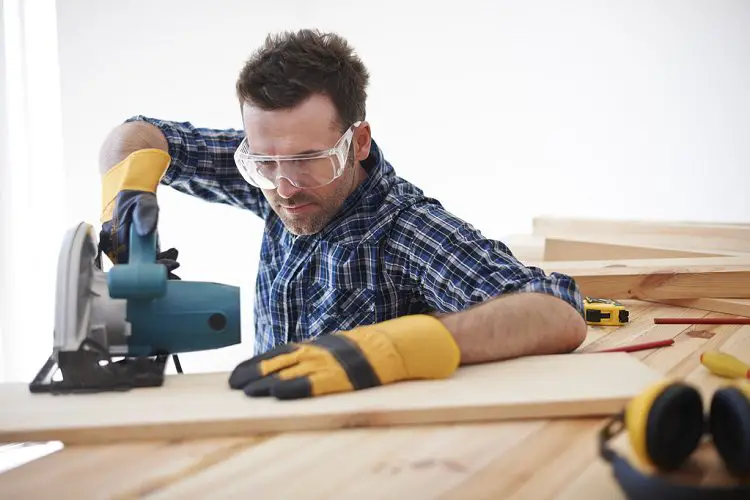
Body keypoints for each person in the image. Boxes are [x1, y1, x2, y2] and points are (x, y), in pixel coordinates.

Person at [98, 29, 587, 400]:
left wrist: (394, 347)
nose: (285, 188)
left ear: (358, 142)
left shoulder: (407, 231)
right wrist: (123, 202)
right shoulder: (277, 174)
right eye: (265, 162)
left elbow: (557, 312)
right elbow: (137, 134)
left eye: (308, 160)